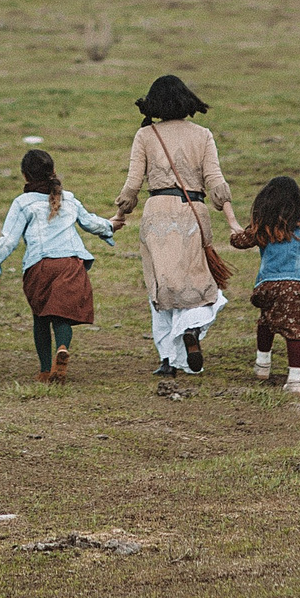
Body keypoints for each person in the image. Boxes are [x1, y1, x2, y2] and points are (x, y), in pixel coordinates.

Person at [110, 74, 240, 375]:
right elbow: (215, 180)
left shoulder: (145, 135)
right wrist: (232, 222)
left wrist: (120, 216)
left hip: (156, 214)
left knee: (162, 286)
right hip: (193, 212)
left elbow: (132, 185)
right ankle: (191, 328)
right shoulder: (203, 135)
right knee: (197, 282)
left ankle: (168, 360)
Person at [0, 147, 115, 382]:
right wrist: (109, 226)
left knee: (40, 316)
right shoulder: (69, 198)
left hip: (39, 266)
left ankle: (45, 370)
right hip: (70, 264)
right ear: (53, 170)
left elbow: (8, 241)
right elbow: (91, 223)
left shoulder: (23, 203)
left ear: (25, 175)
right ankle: (62, 348)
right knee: (61, 315)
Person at [229, 174, 300, 396]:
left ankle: (262, 365)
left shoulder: (265, 221)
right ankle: (295, 380)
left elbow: (243, 241)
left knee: (266, 321)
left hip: (269, 284)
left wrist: (234, 236)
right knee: (294, 332)